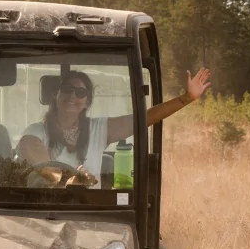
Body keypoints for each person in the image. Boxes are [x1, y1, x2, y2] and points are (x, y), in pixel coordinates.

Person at [18, 67, 211, 187]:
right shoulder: (35, 133)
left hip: (93, 213)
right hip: (48, 210)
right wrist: (79, 176)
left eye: (80, 92)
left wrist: (185, 99)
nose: (72, 96)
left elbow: (143, 119)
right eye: (67, 90)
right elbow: (46, 173)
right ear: (56, 95)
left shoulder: (97, 129)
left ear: (87, 102)